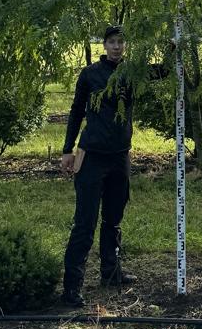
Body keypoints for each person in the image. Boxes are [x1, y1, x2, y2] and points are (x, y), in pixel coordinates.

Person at [59, 24, 169, 307]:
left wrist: (173, 39)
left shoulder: (131, 73)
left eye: (121, 42)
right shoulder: (90, 75)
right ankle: (72, 287)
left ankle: (111, 271)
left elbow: (164, 71)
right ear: (104, 45)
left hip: (120, 156)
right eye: (112, 42)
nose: (117, 46)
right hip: (92, 156)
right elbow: (75, 111)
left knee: (114, 218)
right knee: (85, 222)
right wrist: (67, 150)